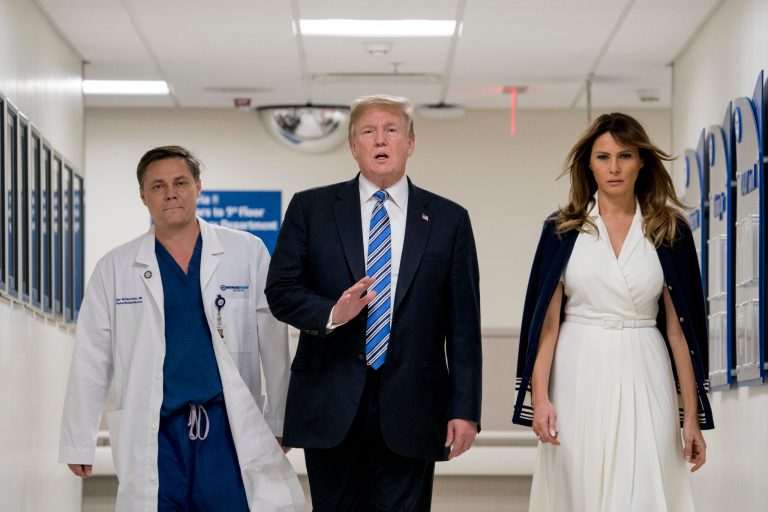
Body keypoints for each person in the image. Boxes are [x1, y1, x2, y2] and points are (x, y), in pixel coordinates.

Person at [265, 95, 482, 511]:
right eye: (368, 131)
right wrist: (332, 313)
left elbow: (464, 325)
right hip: (330, 403)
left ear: (410, 143)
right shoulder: (310, 209)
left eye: (392, 130)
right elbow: (281, 291)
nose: (380, 139)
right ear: (353, 145)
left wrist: (465, 409)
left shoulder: (449, 219)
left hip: (415, 406)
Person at [59, 146, 304, 511]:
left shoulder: (246, 251)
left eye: (180, 182)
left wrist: (282, 417)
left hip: (226, 425)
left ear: (198, 187)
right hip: (155, 428)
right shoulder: (115, 267)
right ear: (143, 195)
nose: (170, 192)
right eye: (157, 186)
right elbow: (92, 356)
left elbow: (274, 343)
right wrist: (79, 438)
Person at [512, 113, 714, 511]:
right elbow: (547, 324)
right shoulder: (563, 229)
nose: (615, 167)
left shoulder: (669, 230)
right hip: (577, 368)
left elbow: (679, 332)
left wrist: (691, 418)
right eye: (603, 157)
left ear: (642, 161)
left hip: (646, 365)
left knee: (644, 480)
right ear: (589, 163)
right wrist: (541, 399)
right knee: (579, 484)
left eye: (625, 156)